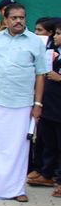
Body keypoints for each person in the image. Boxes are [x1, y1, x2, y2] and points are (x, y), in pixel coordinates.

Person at [0, 3, 47, 202]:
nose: (18, 21)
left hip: (21, 103)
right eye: (14, 18)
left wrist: (38, 104)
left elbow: (41, 75)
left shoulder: (35, 42)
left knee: (18, 148)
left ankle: (16, 190)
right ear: (5, 20)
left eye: (22, 17)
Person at [34, 25, 61, 196]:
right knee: (49, 143)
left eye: (59, 34)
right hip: (49, 105)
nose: (55, 37)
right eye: (56, 33)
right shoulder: (52, 52)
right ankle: (46, 174)